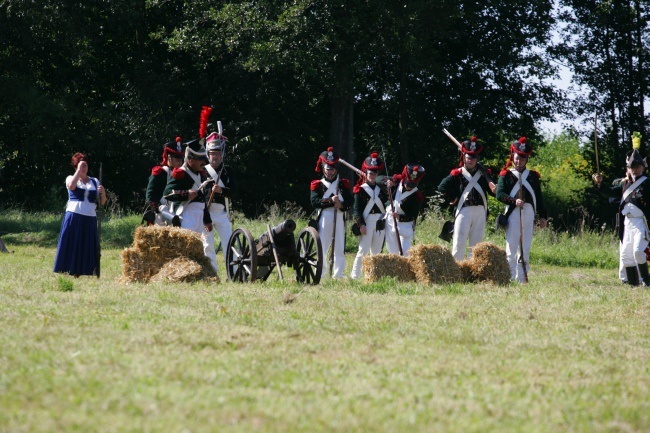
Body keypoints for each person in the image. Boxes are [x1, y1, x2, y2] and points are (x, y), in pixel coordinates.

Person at [593, 149, 650, 286]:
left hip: (641, 222)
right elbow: (610, 193)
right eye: (631, 168)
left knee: (638, 252)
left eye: (636, 167)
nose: (634, 170)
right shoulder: (625, 184)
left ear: (642, 167)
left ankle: (647, 282)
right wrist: (600, 183)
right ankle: (633, 284)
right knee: (626, 256)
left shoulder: (647, 183)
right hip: (627, 223)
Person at [496, 137, 548, 282]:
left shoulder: (533, 177)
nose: (519, 162)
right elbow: (499, 194)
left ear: (526, 160)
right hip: (513, 214)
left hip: (529, 213)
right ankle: (511, 276)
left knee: (525, 246)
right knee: (511, 246)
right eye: (517, 158)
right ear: (513, 156)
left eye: (522, 159)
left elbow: (539, 198)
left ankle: (522, 277)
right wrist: (514, 201)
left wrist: (543, 216)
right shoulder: (505, 176)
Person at [163, 139, 218, 272]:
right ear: (190, 160)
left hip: (199, 215)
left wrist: (207, 220)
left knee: (198, 247)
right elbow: (167, 194)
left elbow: (202, 200)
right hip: (185, 214)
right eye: (200, 159)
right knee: (186, 246)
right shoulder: (180, 173)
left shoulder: (201, 174)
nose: (204, 162)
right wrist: (186, 194)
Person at [438, 136, 497, 260]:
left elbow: (493, 192)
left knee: (476, 246)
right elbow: (442, 187)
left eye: (473, 157)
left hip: (480, 211)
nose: (470, 160)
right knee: (459, 242)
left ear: (477, 159)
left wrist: (496, 187)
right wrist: (453, 198)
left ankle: (473, 272)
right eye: (468, 157)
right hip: (464, 210)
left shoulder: (483, 174)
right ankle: (456, 271)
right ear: (464, 157)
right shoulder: (457, 173)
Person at [54, 153, 107, 276]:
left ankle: (85, 270)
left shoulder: (94, 181)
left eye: (85, 165)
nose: (84, 168)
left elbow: (102, 202)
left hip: (90, 217)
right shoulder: (70, 178)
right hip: (74, 215)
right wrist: (78, 171)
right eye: (81, 165)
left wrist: (103, 193)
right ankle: (68, 269)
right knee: (72, 244)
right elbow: (71, 186)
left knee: (86, 245)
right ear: (76, 166)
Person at [310, 147, 352, 278]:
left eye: (332, 169)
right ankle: (321, 272)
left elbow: (350, 201)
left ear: (336, 170)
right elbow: (314, 201)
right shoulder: (318, 184)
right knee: (322, 245)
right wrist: (330, 201)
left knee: (339, 245)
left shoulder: (343, 184)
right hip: (325, 216)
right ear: (323, 169)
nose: (330, 172)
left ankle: (338, 273)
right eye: (327, 169)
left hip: (339, 215)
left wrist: (341, 205)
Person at [350, 152, 388, 279]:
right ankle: (355, 275)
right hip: (367, 221)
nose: (372, 175)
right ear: (366, 173)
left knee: (376, 252)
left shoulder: (382, 189)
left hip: (380, 222)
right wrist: (361, 224)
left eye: (375, 173)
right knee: (363, 251)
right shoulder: (360, 190)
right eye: (370, 173)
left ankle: (373, 276)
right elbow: (357, 210)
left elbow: (386, 203)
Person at [203, 129, 235, 268]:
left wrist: (221, 190)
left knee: (229, 242)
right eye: (212, 154)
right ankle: (212, 272)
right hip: (206, 212)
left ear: (222, 155)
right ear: (208, 155)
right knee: (208, 245)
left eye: (217, 154)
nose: (215, 157)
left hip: (222, 212)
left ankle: (233, 271)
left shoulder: (228, 171)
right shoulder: (202, 171)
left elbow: (234, 192)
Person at [384, 163, 425, 256]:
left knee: (405, 253)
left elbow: (413, 216)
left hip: (405, 225)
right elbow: (380, 180)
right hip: (391, 222)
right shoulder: (397, 182)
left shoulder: (417, 197)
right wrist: (388, 184)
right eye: (408, 183)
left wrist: (399, 216)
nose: (409, 186)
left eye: (412, 184)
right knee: (393, 253)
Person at [144, 137, 184, 225]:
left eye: (181, 160)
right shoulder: (159, 173)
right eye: (177, 160)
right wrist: (159, 209)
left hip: (176, 212)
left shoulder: (182, 175)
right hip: (159, 214)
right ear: (169, 158)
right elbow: (150, 196)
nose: (180, 163)